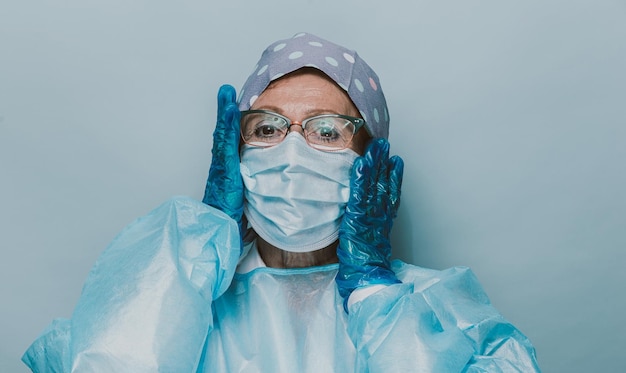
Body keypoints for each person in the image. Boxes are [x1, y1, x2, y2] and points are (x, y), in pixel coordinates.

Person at [23, 33, 541, 372]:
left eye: (327, 130)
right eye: (267, 128)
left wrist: (374, 297)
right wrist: (198, 246)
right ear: (235, 151)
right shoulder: (164, 304)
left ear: (371, 161)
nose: (292, 153)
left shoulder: (438, 317)